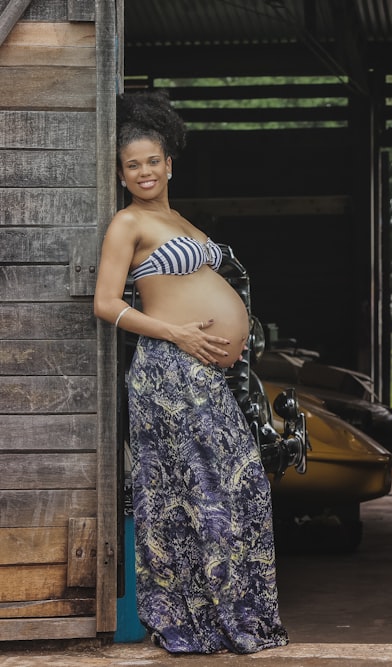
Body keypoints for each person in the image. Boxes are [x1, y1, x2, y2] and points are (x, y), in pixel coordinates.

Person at [93, 90, 289, 654]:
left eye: (152, 160)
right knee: (208, 489)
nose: (144, 171)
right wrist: (175, 331)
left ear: (169, 162)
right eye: (133, 165)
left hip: (198, 373)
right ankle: (198, 621)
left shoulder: (176, 218)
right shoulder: (127, 223)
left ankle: (224, 618)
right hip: (168, 370)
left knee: (226, 485)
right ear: (122, 173)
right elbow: (106, 305)